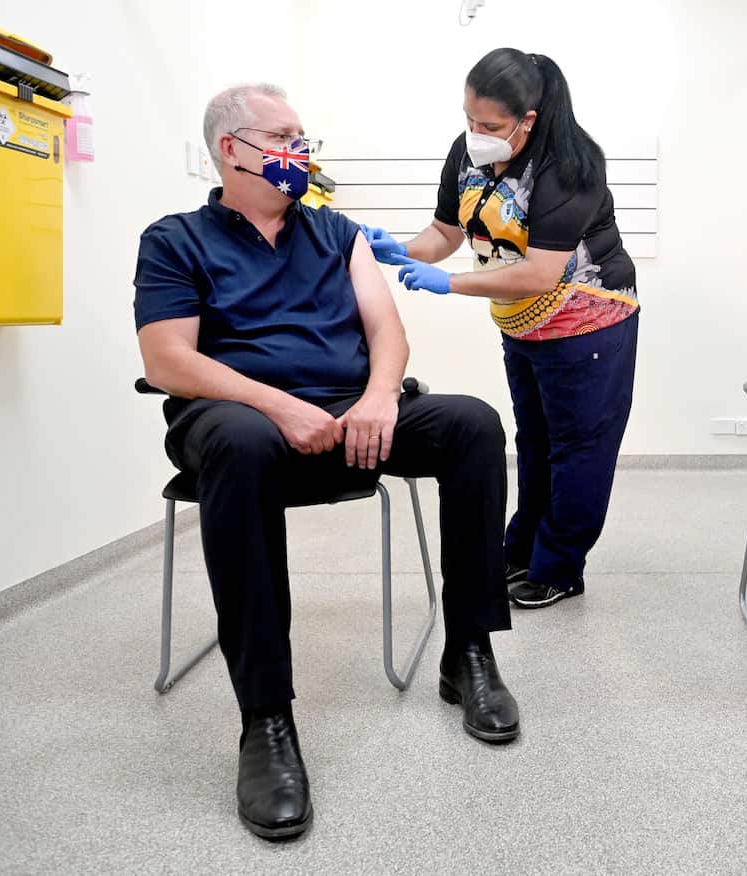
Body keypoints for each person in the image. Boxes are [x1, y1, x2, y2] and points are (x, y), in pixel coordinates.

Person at [133, 84, 520, 840]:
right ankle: (266, 719)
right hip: (239, 420)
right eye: (285, 138)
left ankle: (469, 652)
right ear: (232, 150)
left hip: (354, 413)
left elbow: (387, 332)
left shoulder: (335, 232)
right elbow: (167, 357)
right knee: (242, 445)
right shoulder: (174, 238)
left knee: (472, 424)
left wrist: (379, 398)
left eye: (305, 138)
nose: (302, 154)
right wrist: (278, 405)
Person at [359, 48, 639, 610]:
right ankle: (524, 548)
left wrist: (450, 284)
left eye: (488, 125)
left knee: (578, 448)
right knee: (533, 441)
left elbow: (539, 271)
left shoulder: (570, 164)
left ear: (527, 120)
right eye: (468, 119)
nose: (474, 133)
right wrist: (402, 250)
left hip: (587, 321)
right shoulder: (468, 154)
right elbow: (445, 231)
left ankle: (560, 567)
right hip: (523, 323)